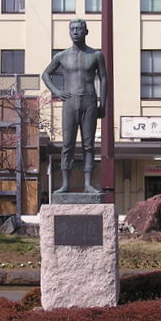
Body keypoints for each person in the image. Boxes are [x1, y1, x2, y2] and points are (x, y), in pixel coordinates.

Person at [42, 19, 108, 193]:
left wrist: (103, 103)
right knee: (68, 144)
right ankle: (65, 184)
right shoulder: (61, 56)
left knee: (89, 145)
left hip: (89, 101)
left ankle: (88, 184)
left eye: (79, 29)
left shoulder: (96, 55)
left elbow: (104, 79)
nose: (76, 32)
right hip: (70, 101)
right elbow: (46, 74)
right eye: (73, 29)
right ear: (69, 33)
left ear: (86, 32)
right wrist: (57, 91)